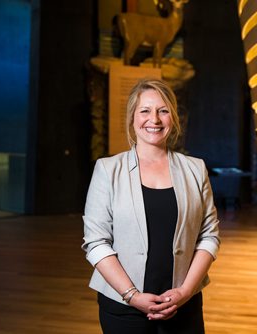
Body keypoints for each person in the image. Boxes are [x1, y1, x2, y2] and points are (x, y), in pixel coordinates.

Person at [81, 78, 220, 333]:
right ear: (132, 117)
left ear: (173, 118)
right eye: (145, 110)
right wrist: (132, 295)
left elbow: (209, 236)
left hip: (183, 305)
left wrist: (186, 291)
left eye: (163, 111)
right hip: (123, 305)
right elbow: (96, 242)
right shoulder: (107, 170)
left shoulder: (196, 169)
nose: (154, 119)